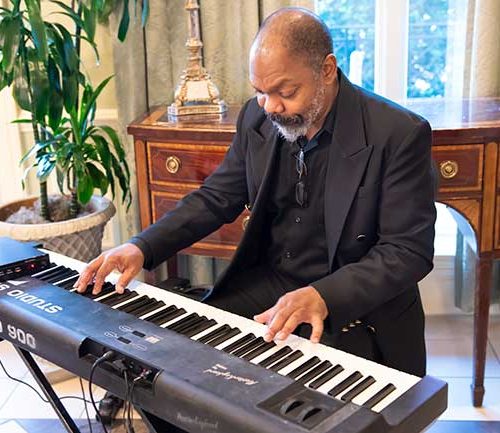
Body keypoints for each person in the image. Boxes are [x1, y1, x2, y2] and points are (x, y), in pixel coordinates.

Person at [76, 7, 435, 379]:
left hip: (355, 306)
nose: (271, 107)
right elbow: (216, 197)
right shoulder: (256, 116)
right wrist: (141, 246)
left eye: (286, 91)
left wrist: (324, 296)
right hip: (271, 284)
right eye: (260, 91)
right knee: (167, 373)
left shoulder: (397, 134)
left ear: (327, 70)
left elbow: (407, 251)